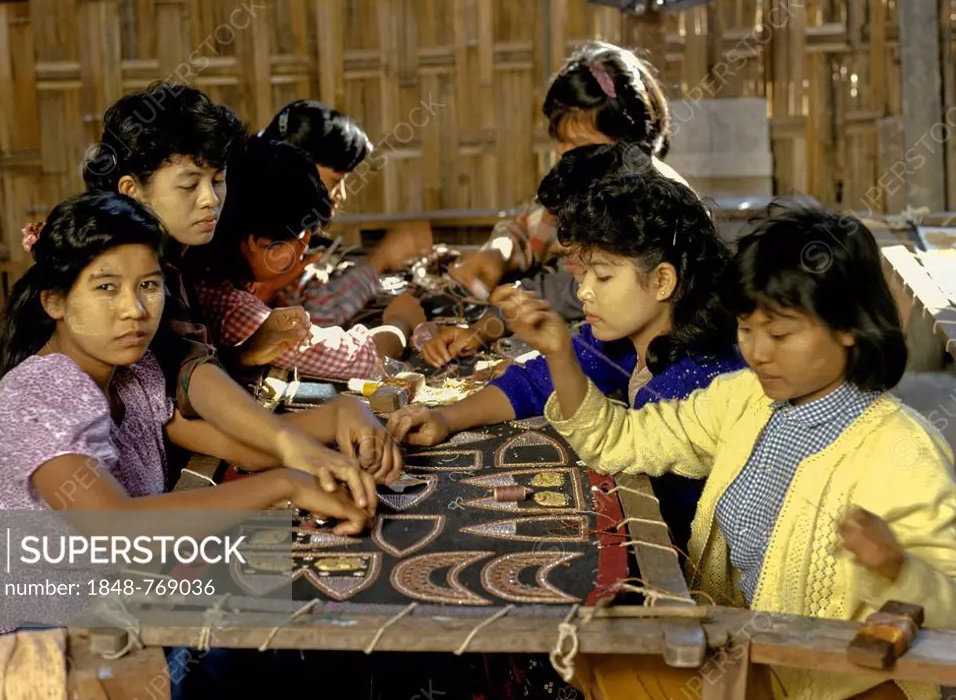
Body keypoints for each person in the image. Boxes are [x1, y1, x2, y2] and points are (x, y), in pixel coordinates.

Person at [523, 203, 956, 700]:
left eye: (780, 334)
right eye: (746, 330)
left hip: (841, 689)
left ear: (848, 327)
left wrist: (897, 568)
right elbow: (621, 441)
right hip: (741, 661)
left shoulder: (902, 449)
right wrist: (558, 353)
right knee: (587, 652)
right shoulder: (745, 400)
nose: (757, 352)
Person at [0, 192, 371, 633]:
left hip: (128, 608)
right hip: (48, 640)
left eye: (148, 285)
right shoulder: (36, 397)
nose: (135, 310)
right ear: (55, 302)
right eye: (106, 288)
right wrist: (284, 484)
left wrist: (339, 415)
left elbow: (238, 447)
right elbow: (117, 533)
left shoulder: (135, 372)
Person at [389, 144, 744, 554]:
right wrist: (445, 417)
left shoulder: (700, 380)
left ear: (663, 281)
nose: (583, 291)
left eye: (603, 276)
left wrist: (559, 352)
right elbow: (538, 381)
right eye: (582, 272)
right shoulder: (627, 343)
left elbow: (618, 447)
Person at [83, 82, 397, 500]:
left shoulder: (172, 262)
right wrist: (293, 448)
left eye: (217, 180)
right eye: (189, 184)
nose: (210, 200)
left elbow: (184, 383)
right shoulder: (113, 279)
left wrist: (326, 422)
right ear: (132, 191)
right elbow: (192, 380)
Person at [426, 40, 687, 364]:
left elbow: (572, 289)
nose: (564, 155)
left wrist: (493, 321)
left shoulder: (644, 203)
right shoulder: (586, 180)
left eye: (578, 144)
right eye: (559, 143)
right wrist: (500, 251)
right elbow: (533, 225)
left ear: (629, 140)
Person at [190, 138, 428, 380]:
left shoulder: (216, 274)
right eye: (301, 237)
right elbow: (362, 360)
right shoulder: (237, 313)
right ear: (257, 241)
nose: (304, 248)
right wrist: (400, 321)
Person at [254, 100, 434, 327]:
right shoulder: (268, 238)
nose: (342, 195)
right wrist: (381, 260)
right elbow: (318, 321)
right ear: (298, 170)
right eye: (336, 181)